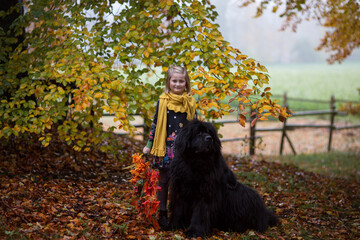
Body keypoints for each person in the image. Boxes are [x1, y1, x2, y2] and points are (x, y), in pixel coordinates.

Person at [143, 65, 196, 229]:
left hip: (183, 151)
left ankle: (179, 215)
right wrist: (148, 145)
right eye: (175, 81)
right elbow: (155, 124)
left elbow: (195, 127)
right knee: (164, 181)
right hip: (164, 149)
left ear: (186, 83)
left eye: (181, 81)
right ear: (169, 82)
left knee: (181, 182)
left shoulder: (190, 102)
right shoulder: (163, 101)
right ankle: (163, 214)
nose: (178, 84)